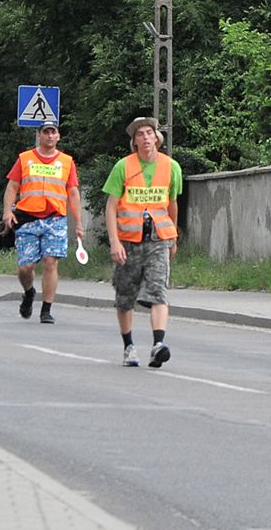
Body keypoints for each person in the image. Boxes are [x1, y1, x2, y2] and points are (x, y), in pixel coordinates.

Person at [103, 117, 182, 368]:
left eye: (149, 133)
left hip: (158, 238)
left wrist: (173, 237)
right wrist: (114, 242)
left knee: (159, 291)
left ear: (157, 138)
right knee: (125, 296)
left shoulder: (171, 167)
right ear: (134, 141)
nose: (146, 138)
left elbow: (172, 204)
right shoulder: (123, 167)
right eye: (140, 134)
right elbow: (111, 206)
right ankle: (129, 347)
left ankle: (158, 345)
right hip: (128, 240)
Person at [2, 121, 84, 324]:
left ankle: (46, 309)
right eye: (45, 132)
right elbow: (12, 186)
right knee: (25, 268)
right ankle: (29, 293)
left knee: (50, 262)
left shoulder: (67, 162)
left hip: (55, 219)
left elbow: (73, 193)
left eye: (53, 132)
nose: (49, 136)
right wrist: (7, 212)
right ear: (39, 135)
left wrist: (79, 223)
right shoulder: (25, 158)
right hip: (27, 218)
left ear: (58, 136)